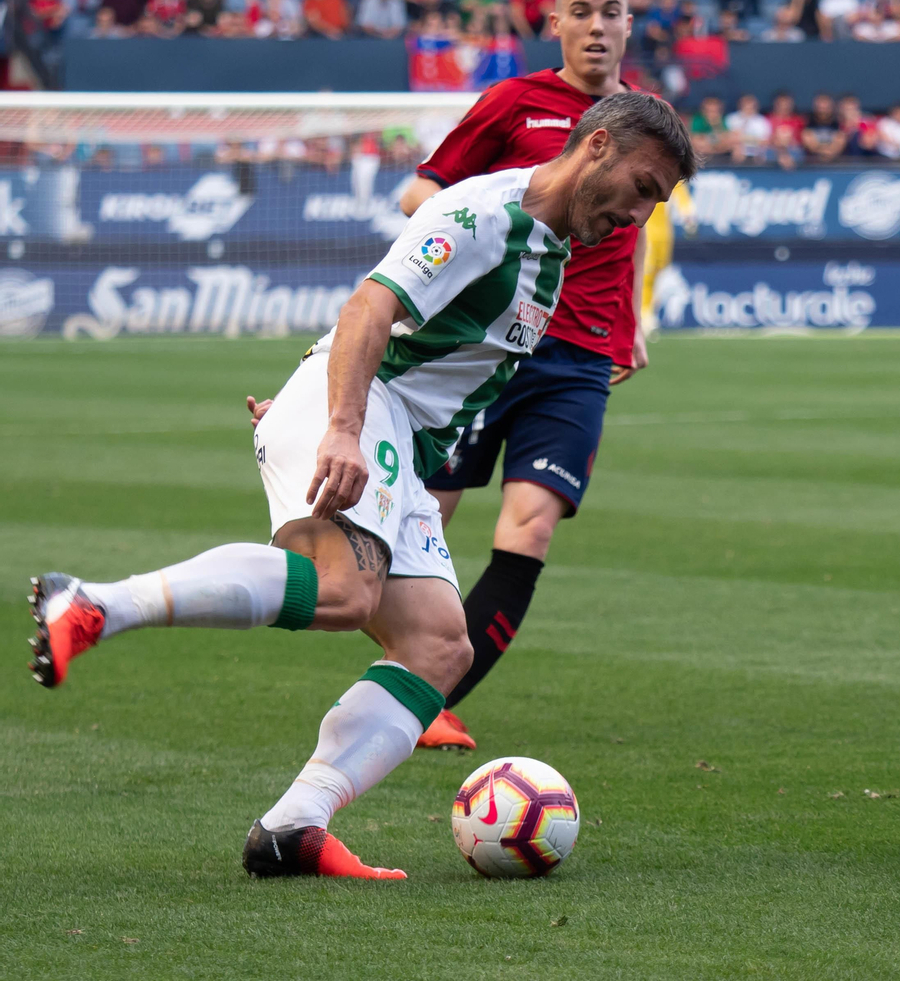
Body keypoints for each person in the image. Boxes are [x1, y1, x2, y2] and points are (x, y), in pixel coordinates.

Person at [29, 90, 696, 878]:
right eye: (644, 188)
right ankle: (96, 602)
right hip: (364, 408)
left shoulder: (554, 254)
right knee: (345, 592)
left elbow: (443, 366)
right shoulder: (482, 214)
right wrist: (337, 419)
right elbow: (370, 306)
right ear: (598, 148)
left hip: (397, 436)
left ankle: (292, 830)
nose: (641, 214)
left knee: (441, 647)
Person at [383, 0, 654, 750]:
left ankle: (429, 699)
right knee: (424, 519)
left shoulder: (645, 120)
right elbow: (421, 192)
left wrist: (630, 326)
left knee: (530, 527)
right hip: (488, 345)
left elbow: (637, 227)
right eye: (582, 10)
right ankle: (410, 668)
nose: (597, 25)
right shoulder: (514, 102)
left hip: (576, 358)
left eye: (610, 10)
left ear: (628, 24)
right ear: (556, 22)